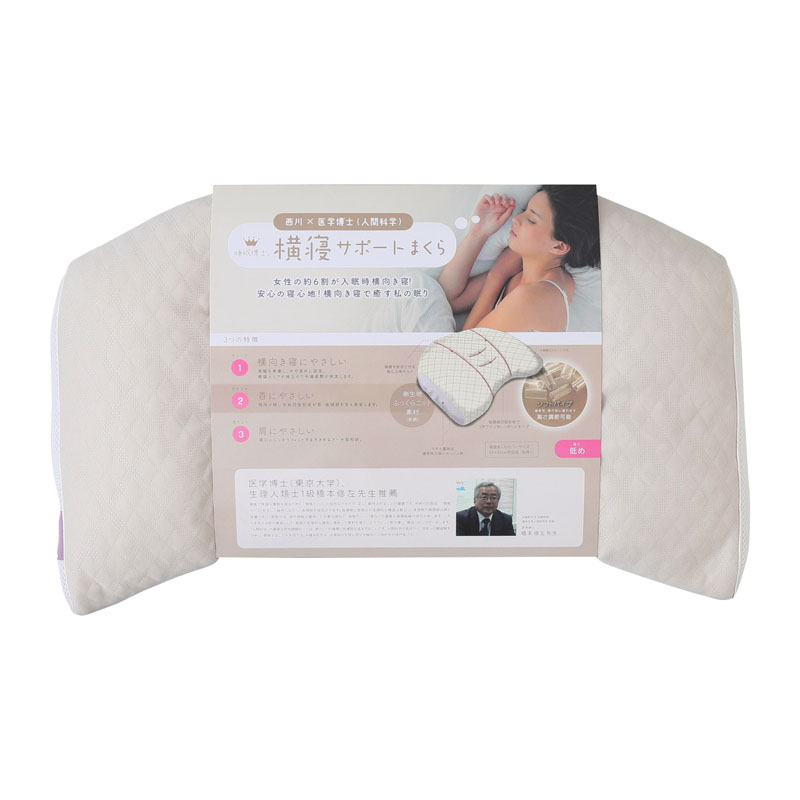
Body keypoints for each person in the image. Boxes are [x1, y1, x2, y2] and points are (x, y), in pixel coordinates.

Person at [437, 186, 600, 332]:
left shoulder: (536, 296)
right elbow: (450, 299)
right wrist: (478, 233)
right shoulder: (522, 273)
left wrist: (496, 276)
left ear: (558, 247)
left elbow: (463, 349)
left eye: (531, 220)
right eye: (525, 210)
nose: (516, 219)